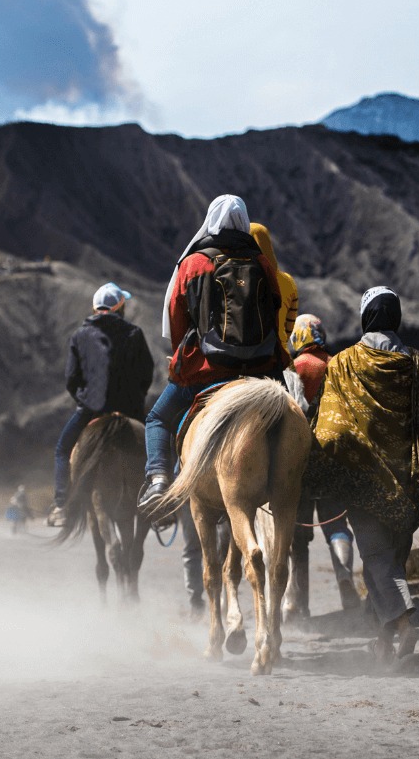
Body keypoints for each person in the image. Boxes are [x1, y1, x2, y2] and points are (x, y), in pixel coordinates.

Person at [307, 286, 419, 660]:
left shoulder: (342, 365)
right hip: (409, 480)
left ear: (365, 317)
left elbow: (329, 428)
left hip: (363, 478)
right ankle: (385, 644)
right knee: (393, 558)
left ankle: (405, 623)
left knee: (375, 556)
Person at [136, 194, 289, 517]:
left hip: (207, 370)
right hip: (261, 370)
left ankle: (159, 480)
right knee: (292, 419)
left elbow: (177, 319)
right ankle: (304, 477)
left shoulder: (194, 263)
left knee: (157, 418)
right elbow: (275, 310)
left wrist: (182, 358)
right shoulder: (261, 262)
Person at [50, 281, 155, 526]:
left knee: (62, 451)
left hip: (91, 409)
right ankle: (160, 502)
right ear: (120, 307)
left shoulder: (79, 335)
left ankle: (61, 506)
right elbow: (146, 374)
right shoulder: (134, 333)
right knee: (158, 444)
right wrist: (135, 400)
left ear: (95, 308)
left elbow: (71, 379)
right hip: (130, 409)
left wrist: (86, 402)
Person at [287, 314, 364, 618]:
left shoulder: (293, 369)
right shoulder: (336, 365)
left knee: (298, 537)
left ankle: (299, 606)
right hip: (333, 458)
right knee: (336, 527)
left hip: (300, 463)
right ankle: (345, 580)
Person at [249, 222, 299, 354]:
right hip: (279, 356)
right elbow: (289, 327)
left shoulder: (237, 282)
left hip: (246, 359)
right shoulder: (288, 282)